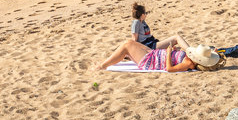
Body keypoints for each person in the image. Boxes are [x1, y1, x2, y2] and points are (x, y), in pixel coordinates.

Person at [95, 34, 225, 72]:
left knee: (126, 46)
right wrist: (175, 51)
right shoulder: (189, 59)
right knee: (128, 45)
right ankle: (105, 63)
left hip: (150, 61)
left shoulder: (188, 63)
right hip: (154, 54)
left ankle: (102, 66)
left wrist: (168, 53)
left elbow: (169, 68)